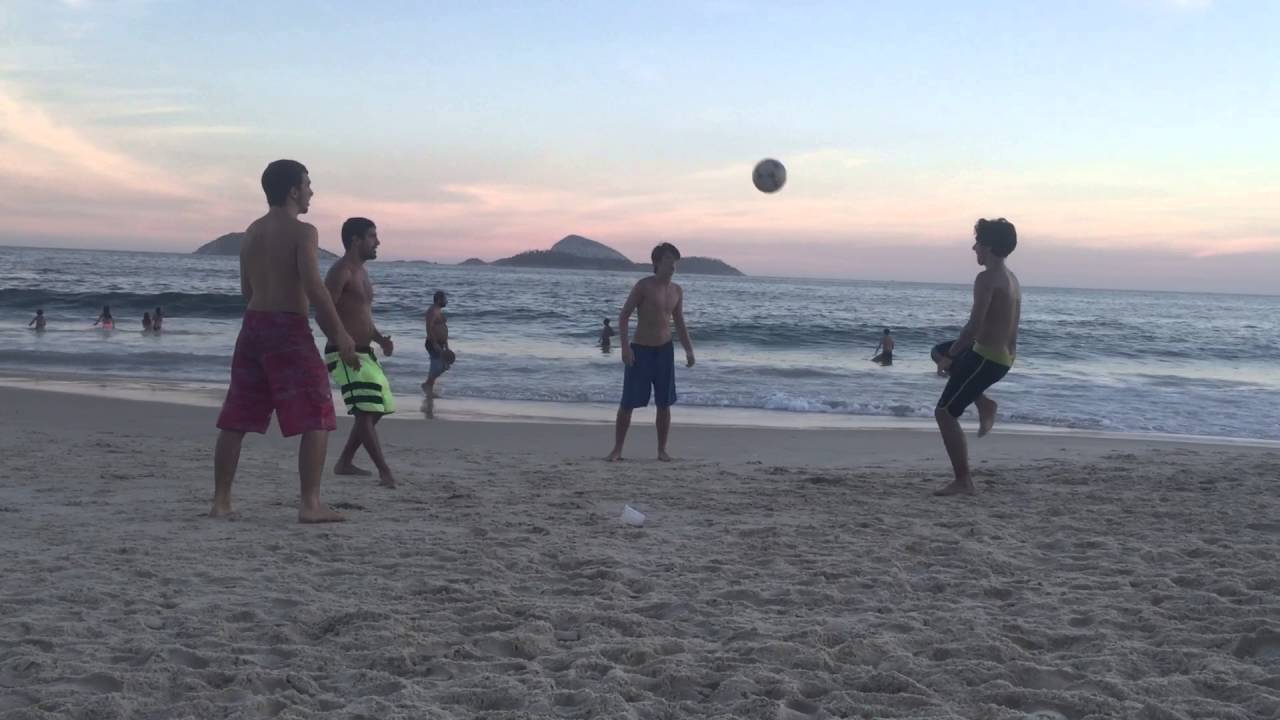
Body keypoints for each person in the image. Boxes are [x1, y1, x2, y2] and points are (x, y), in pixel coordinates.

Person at [211, 159, 359, 523]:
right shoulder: (303, 232)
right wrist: (339, 333)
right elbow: (314, 288)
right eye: (308, 183)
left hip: (253, 327)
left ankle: (221, 501)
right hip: (288, 329)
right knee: (317, 413)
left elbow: (247, 290)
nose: (311, 191)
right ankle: (310, 505)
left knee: (237, 417)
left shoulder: (251, 232)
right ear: (293, 189)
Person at [933, 218, 1021, 497]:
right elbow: (1009, 325)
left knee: (945, 413)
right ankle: (983, 403)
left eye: (978, 244)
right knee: (936, 350)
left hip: (987, 358)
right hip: (1002, 356)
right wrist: (950, 354)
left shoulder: (987, 278)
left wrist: (953, 356)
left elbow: (973, 326)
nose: (974, 248)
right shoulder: (1012, 279)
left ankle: (964, 481)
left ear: (989, 247)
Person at [324, 217, 397, 488]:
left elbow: (362, 314)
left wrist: (379, 338)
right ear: (356, 240)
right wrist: (341, 341)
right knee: (365, 411)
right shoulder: (340, 271)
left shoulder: (362, 273)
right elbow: (323, 311)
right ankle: (385, 472)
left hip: (366, 352)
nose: (377, 242)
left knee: (377, 409)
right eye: (372, 236)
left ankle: (344, 462)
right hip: (345, 353)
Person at [605, 242, 695, 462]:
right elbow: (624, 316)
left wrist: (689, 350)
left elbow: (680, 322)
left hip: (664, 351)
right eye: (667, 260)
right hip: (641, 350)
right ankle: (617, 449)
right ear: (656, 262)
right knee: (628, 402)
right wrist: (625, 348)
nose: (672, 265)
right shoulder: (644, 286)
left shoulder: (676, 291)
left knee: (664, 403)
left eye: (675, 261)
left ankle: (661, 450)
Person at [421, 290, 454, 419]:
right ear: (439, 299)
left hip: (441, 344)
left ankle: (429, 387)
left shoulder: (439, 311)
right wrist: (434, 342)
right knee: (439, 365)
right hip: (433, 343)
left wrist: (446, 345)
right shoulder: (432, 311)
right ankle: (427, 385)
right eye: (445, 299)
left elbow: (443, 329)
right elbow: (429, 328)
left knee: (443, 365)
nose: (446, 301)